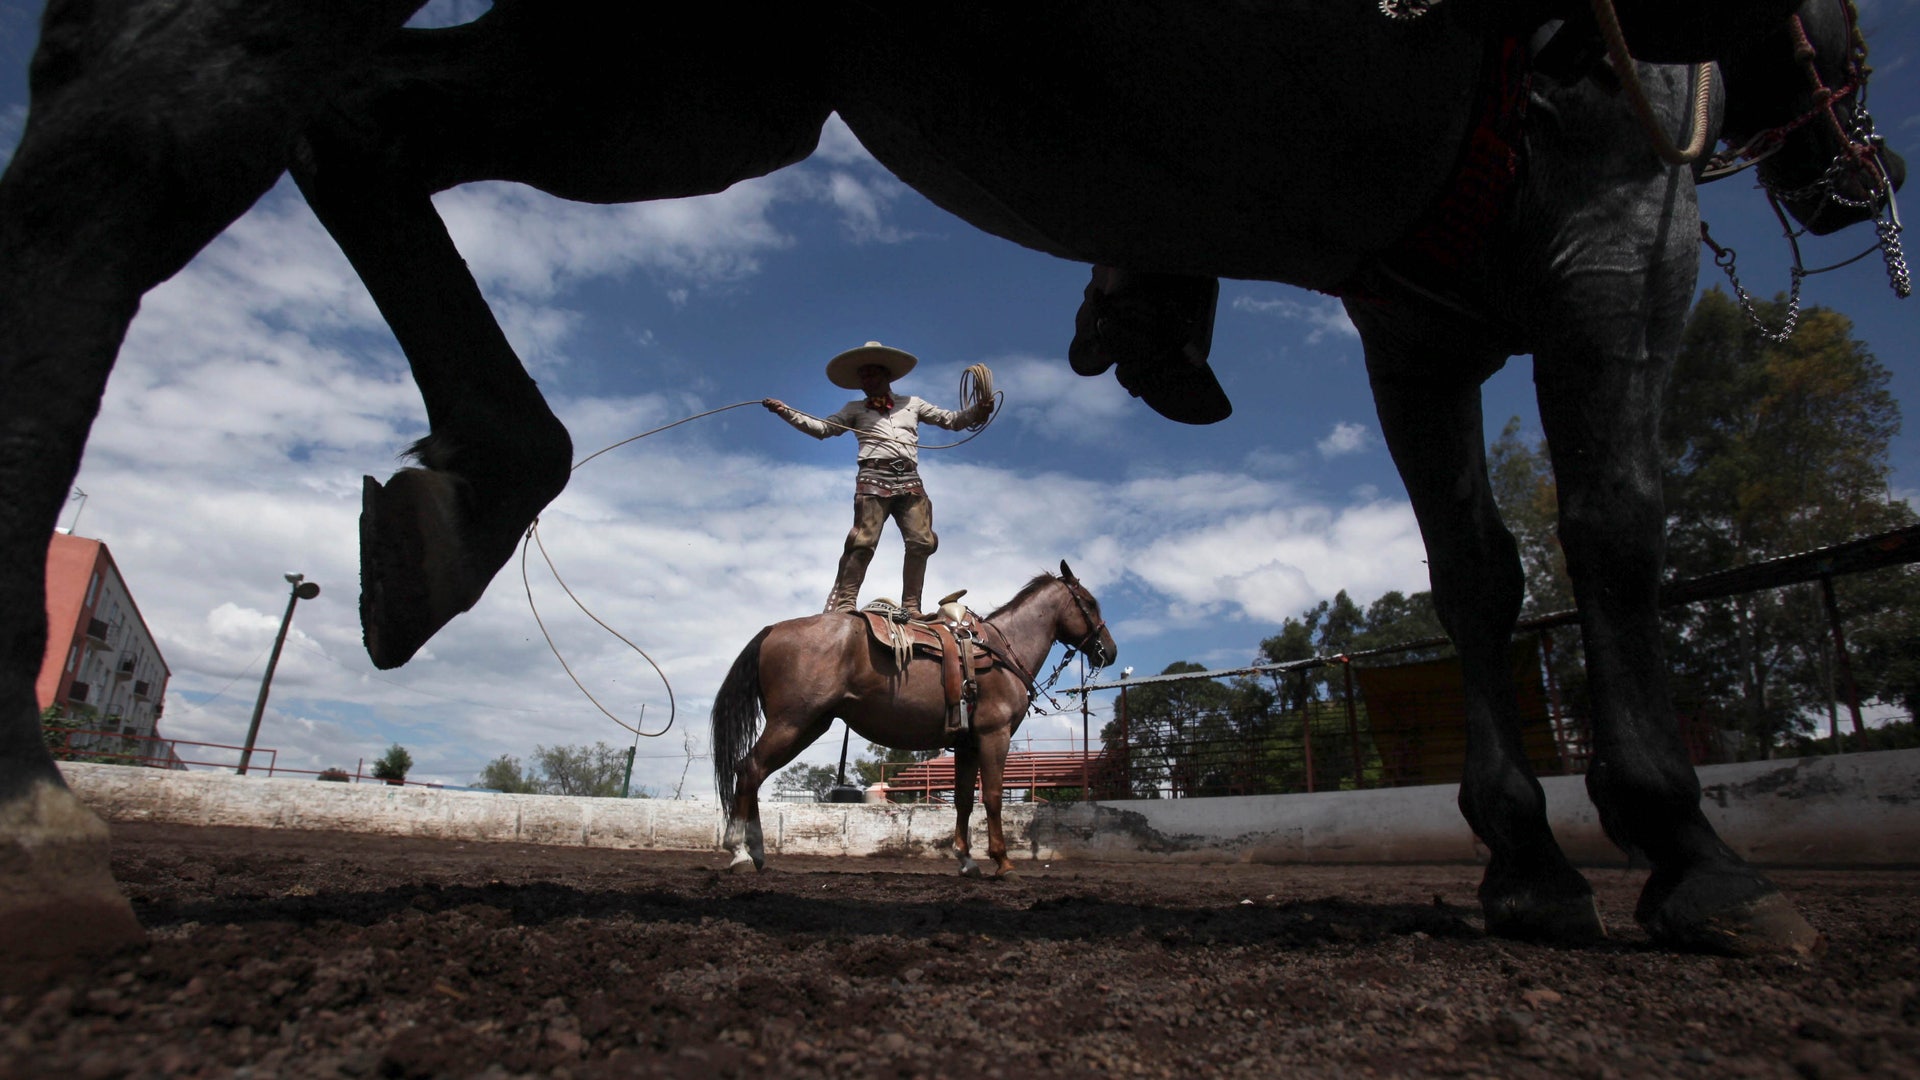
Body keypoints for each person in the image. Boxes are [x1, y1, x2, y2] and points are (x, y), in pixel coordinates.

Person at [764, 341, 990, 615]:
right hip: (873, 478)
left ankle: (911, 606)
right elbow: (823, 429)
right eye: (863, 376)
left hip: (909, 479)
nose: (866, 381)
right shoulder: (854, 409)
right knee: (863, 541)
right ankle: (846, 602)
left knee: (922, 541)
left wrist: (979, 410)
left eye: (871, 374)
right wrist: (786, 412)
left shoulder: (912, 404)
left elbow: (952, 420)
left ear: (885, 375)